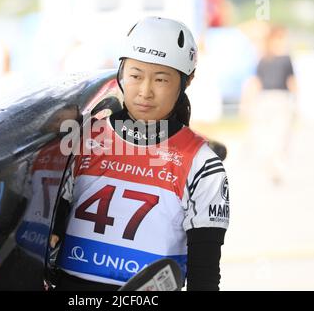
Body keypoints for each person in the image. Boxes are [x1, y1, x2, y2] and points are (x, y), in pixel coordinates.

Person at [48, 17, 230, 291]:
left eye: (161, 79)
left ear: (187, 81)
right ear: (120, 73)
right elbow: (46, 227)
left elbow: (204, 276)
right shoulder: (82, 138)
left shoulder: (202, 165)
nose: (145, 91)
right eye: (135, 76)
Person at [241, 25, 297, 185]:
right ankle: (272, 164)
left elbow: (291, 81)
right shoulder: (266, 59)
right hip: (269, 99)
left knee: (281, 134)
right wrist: (247, 102)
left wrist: (296, 100)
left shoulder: (282, 59)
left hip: (279, 98)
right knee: (270, 134)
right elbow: (256, 82)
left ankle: (276, 165)